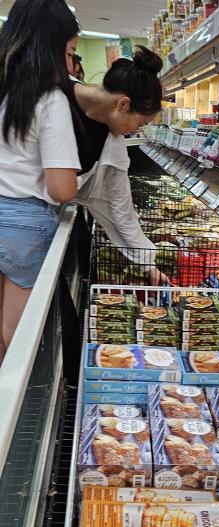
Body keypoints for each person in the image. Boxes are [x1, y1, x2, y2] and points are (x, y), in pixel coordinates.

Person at [0, 0, 81, 361]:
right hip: (24, 229)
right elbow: (62, 189)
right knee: (15, 336)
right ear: (47, 47)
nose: (70, 66)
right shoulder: (49, 100)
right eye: (69, 53)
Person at [65, 46, 165, 284]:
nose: (136, 131)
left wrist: (148, 264)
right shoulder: (53, 92)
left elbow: (121, 210)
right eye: (140, 123)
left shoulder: (113, 143)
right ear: (123, 104)